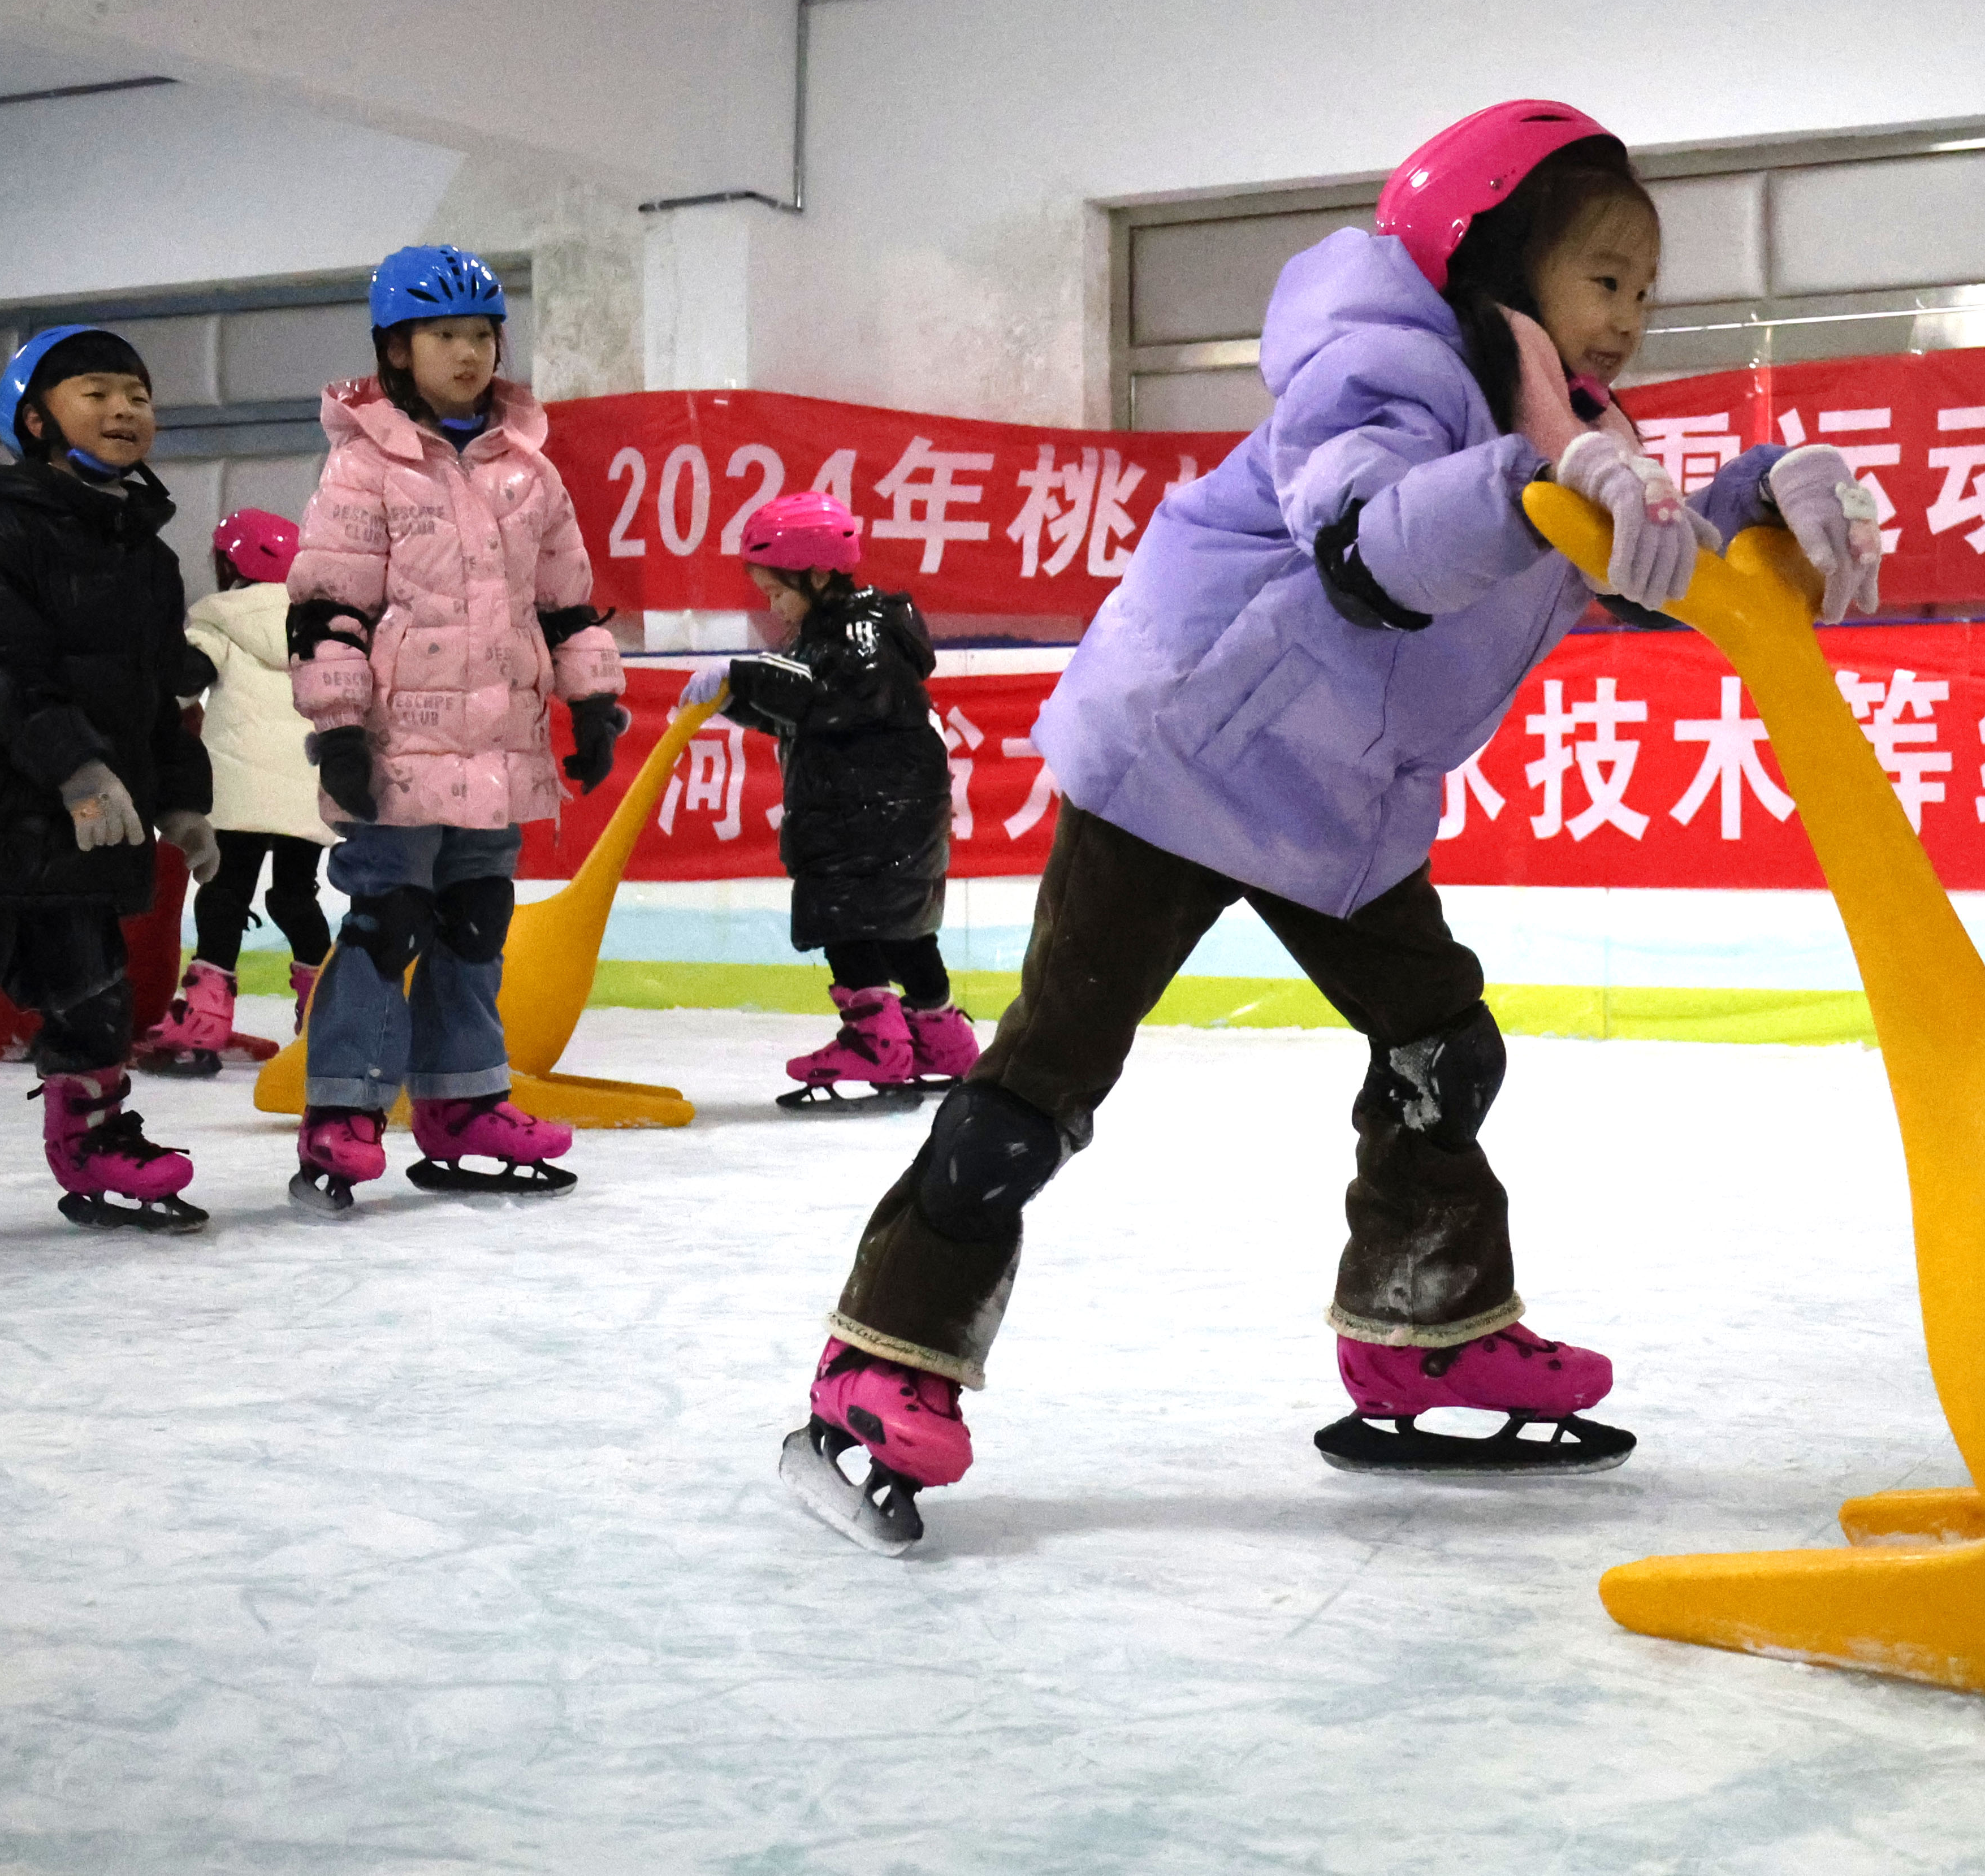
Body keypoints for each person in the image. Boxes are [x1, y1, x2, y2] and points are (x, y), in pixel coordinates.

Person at [781, 98, 1888, 1551]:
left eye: (1645, 291)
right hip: (1185, 757)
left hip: (1337, 798)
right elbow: (1370, 543)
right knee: (1045, 1080)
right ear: (1494, 254)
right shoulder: (1383, 366)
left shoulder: (1562, 423)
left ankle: (1423, 1331)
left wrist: (1763, 500)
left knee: (1441, 1045)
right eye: (1604, 278)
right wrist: (1528, 487)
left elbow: (1638, 569)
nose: (1627, 319)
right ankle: (879, 1362)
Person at [285, 245, 627, 1216]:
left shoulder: (530, 472)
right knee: (387, 919)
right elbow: (329, 607)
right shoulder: (363, 467)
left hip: (500, 747)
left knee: (475, 922)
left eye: (481, 334)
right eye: (444, 335)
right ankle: (342, 1107)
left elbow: (565, 602)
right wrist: (339, 729)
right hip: (397, 746)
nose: (469, 352)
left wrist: (593, 701)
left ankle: (464, 1102)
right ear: (397, 349)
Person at [0, 328, 220, 1229]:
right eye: (98, 393)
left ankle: (95, 1144)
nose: (125, 410)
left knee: (95, 996)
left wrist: (182, 802)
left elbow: (159, 698)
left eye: (139, 396)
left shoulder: (148, 558)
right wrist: (75, 767)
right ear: (37, 420)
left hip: (84, 834)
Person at [678, 492, 975, 1108]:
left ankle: (876, 1041)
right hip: (888, 814)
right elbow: (810, 712)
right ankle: (943, 1037)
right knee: (902, 927)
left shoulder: (860, 635)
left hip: (866, 818)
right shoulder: (832, 636)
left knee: (846, 918)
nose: (772, 606)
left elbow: (834, 696)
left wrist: (745, 675)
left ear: (816, 575)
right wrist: (737, 700)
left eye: (776, 592)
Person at [133, 509, 334, 1071]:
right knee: (295, 898)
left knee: (225, 895)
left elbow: (182, 684)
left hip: (238, 791)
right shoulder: (322, 627)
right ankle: (329, 1017)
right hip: (309, 787)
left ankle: (203, 1025)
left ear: (229, 563)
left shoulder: (218, 620)